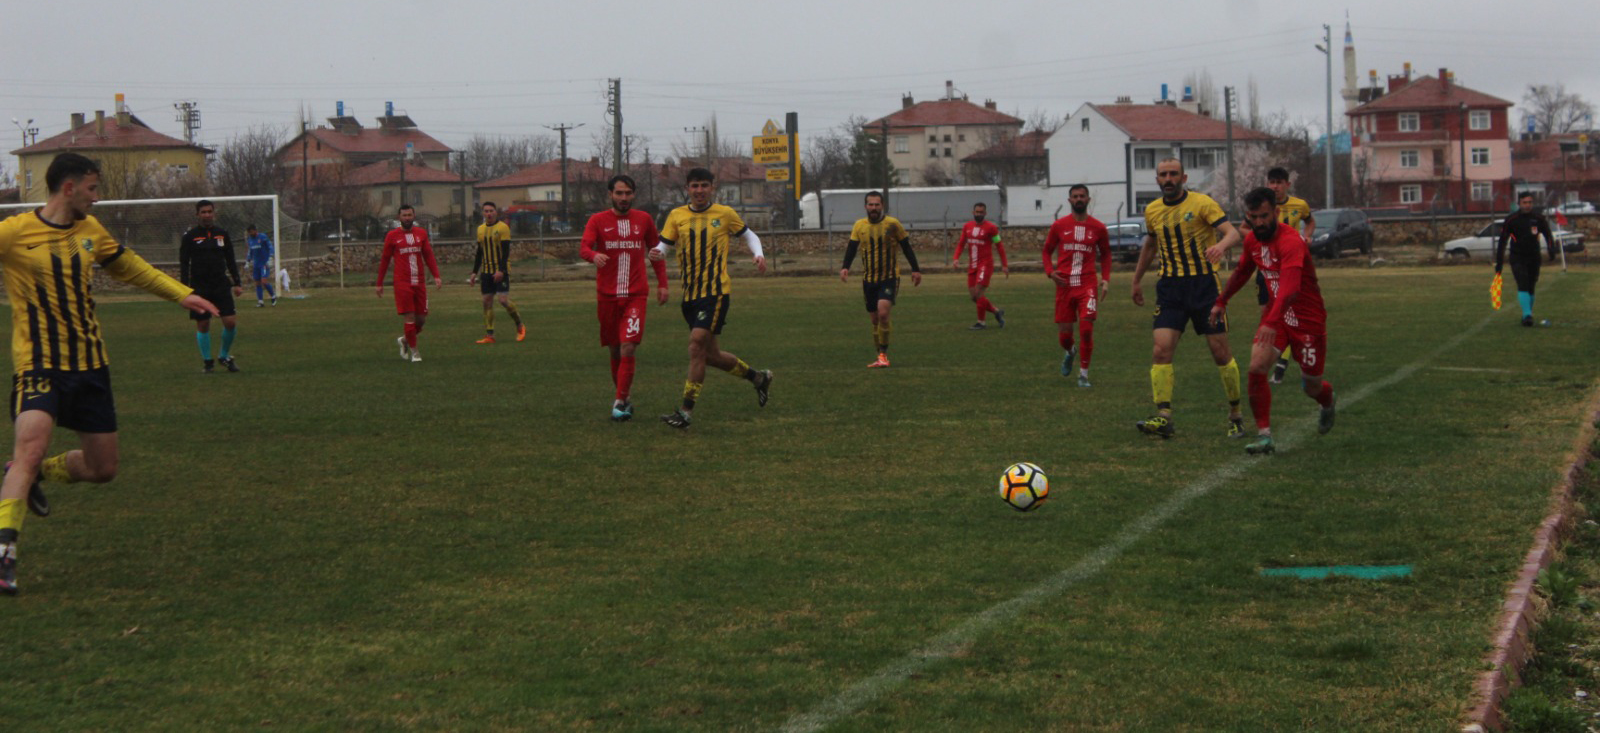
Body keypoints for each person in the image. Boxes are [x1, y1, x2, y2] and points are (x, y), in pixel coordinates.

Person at [0, 152, 219, 595]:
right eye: (93, 189)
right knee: (30, 446)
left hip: (90, 366)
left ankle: (38, 473)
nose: (97, 198)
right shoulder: (14, 233)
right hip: (38, 365)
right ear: (68, 188)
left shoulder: (89, 232)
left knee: (103, 468)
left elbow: (131, 268)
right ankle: (5, 554)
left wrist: (182, 295)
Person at [1210, 186, 1337, 455]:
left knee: (1311, 385)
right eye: (1253, 217)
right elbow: (1243, 271)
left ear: (1276, 212)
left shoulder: (1291, 242)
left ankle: (1327, 401)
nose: (1259, 222)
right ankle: (1264, 436)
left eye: (1264, 216)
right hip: (1277, 317)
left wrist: (1270, 320)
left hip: (1307, 320)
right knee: (1256, 367)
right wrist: (1222, 300)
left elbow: (1290, 289)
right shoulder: (1253, 241)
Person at [648, 167, 773, 428]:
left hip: (715, 293)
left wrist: (758, 254)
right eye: (695, 186)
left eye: (704, 185)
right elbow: (664, 244)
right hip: (690, 295)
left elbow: (750, 235)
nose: (700, 190)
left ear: (712, 188)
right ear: (688, 188)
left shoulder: (725, 214)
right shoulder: (676, 215)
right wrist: (656, 252)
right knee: (710, 355)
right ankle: (758, 378)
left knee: (695, 346)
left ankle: (685, 412)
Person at [1130, 158, 1245, 438]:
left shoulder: (1202, 203)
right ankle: (1164, 416)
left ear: (1184, 177)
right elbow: (1151, 244)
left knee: (1220, 353)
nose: (1168, 179)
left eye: (1173, 174)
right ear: (1157, 180)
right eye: (1163, 175)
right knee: (1161, 350)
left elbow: (1233, 233)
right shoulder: (1153, 211)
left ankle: (1236, 415)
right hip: (1170, 289)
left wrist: (1219, 246)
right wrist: (1136, 280)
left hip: (1204, 286)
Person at [580, 175, 668, 421]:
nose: (624, 198)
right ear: (611, 194)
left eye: (628, 193)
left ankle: (618, 401)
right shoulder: (597, 220)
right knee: (615, 350)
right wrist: (593, 256)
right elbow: (584, 247)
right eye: (619, 193)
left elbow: (656, 253)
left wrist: (663, 284)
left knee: (629, 346)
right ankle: (625, 397)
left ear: (634, 194)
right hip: (607, 296)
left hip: (635, 295)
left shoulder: (644, 220)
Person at [841, 191, 923, 367]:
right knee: (875, 320)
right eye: (870, 204)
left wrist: (915, 270)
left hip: (889, 277)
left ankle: (884, 355)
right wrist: (845, 267)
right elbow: (851, 248)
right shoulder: (859, 226)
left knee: (883, 314)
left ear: (882, 206)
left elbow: (906, 247)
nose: (873, 208)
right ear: (865, 206)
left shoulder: (893, 224)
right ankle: (879, 355)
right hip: (868, 279)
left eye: (877, 204)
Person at [1042, 185, 1110, 388]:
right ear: (1070, 200)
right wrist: (1050, 272)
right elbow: (1046, 251)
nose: (1079, 199)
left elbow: (1106, 255)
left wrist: (1105, 279)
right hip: (1064, 285)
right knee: (1064, 336)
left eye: (1082, 196)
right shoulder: (1059, 226)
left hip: (1087, 284)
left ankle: (1083, 375)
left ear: (1088, 199)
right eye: (1075, 196)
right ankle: (1070, 351)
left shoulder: (1098, 227)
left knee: (1087, 329)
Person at [179, 200, 244, 373]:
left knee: (230, 322)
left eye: (209, 211)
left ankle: (224, 356)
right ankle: (208, 362)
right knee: (203, 325)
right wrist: (184, 290)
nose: (207, 215)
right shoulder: (190, 237)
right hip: (200, 287)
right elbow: (184, 264)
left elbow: (230, 259)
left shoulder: (222, 234)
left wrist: (237, 283)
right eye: (203, 212)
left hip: (220, 284)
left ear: (214, 213)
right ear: (197, 214)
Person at [1263, 168, 1315, 384]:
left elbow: (1310, 221)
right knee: (1269, 318)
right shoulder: (1263, 206)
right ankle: (1278, 359)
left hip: (1290, 268)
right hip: (1267, 269)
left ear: (1287, 185)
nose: (1275, 186)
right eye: (1271, 182)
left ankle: (1281, 364)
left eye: (1279, 182)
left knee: (1287, 316)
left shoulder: (1299, 205)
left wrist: (1306, 236)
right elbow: (1245, 229)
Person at [375, 205, 442, 362]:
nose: (407, 218)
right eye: (404, 215)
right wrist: (379, 283)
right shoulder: (392, 236)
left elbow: (428, 256)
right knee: (410, 317)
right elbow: (385, 260)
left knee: (421, 319)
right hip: (402, 282)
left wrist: (436, 275)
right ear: (399, 217)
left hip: (419, 281)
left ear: (414, 216)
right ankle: (415, 352)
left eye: (409, 215)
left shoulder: (421, 233)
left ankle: (405, 340)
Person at [1496, 192, 1557, 327]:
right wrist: (1499, 262)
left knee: (1531, 286)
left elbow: (1548, 235)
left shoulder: (1538, 219)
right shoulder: (1512, 220)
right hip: (1517, 257)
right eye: (1525, 202)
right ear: (1519, 204)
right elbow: (1502, 241)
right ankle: (1527, 315)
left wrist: (1551, 250)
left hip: (1534, 256)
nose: (1528, 205)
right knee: (1522, 283)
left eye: (1530, 202)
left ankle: (1528, 312)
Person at [468, 202, 526, 344]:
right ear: (483, 213)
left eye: (491, 211)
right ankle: (490, 335)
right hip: (486, 271)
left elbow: (505, 252)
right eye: (486, 211)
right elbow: (479, 252)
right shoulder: (480, 229)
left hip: (501, 270)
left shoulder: (503, 228)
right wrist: (474, 272)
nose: (489, 213)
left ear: (496, 212)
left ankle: (519, 325)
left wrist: (501, 270)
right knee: (486, 302)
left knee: (503, 300)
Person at [951, 202, 1007, 329]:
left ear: (985, 213)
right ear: (973, 212)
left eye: (981, 212)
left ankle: (981, 322)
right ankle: (997, 312)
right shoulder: (967, 227)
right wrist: (956, 258)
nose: (979, 214)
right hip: (973, 266)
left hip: (985, 265)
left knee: (978, 293)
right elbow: (961, 244)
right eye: (977, 212)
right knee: (974, 297)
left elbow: (999, 246)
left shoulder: (992, 228)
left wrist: (1004, 264)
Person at [246, 224, 276, 307]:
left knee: (264, 281)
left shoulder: (263, 237)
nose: (251, 234)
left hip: (264, 264)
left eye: (252, 232)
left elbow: (270, 246)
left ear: (255, 230)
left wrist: (270, 257)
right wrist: (248, 261)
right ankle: (260, 301)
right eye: (249, 232)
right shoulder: (250, 240)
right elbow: (250, 251)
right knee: (257, 283)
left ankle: (273, 296)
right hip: (256, 264)